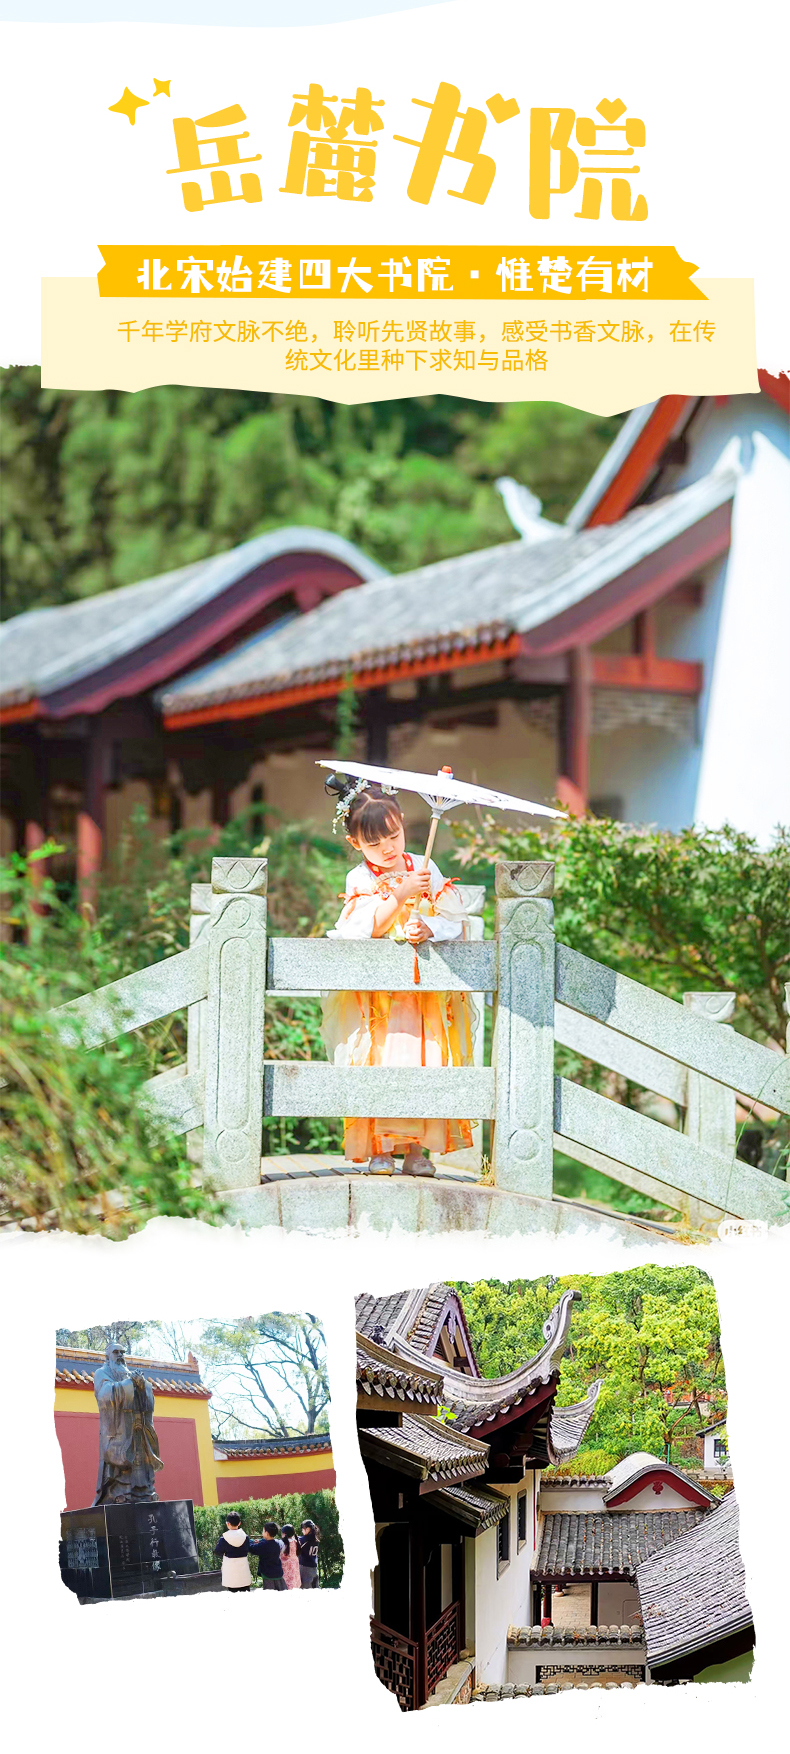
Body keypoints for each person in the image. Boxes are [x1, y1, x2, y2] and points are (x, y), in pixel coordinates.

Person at [321, 777, 476, 1174]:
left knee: (425, 1060)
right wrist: (402, 893)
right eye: (374, 843)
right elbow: (366, 928)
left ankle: (417, 1152)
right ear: (355, 842)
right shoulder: (359, 878)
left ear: (403, 822)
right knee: (380, 1060)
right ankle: (380, 1149)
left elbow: (455, 921)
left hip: (423, 994)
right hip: (379, 997)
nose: (387, 848)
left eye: (393, 836)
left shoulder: (425, 867)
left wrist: (428, 927)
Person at [214, 1512, 253, 1592]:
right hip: (243, 1570)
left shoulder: (224, 1538)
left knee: (233, 1593)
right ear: (239, 1523)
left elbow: (217, 1552)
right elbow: (249, 1548)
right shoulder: (245, 1537)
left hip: (230, 1571)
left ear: (227, 1524)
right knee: (245, 1593)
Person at [249, 1523, 288, 1590]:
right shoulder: (277, 1543)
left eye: (263, 1531)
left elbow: (252, 1549)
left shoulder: (263, 1545)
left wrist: (249, 1541)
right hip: (278, 1573)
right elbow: (267, 1543)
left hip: (268, 1574)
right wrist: (260, 1541)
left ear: (266, 1533)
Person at [297, 1519, 321, 1589]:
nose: (302, 1531)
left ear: (307, 1529)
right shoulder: (316, 1539)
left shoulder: (303, 1540)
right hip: (314, 1568)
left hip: (305, 1569)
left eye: (302, 1529)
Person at [280, 1523, 301, 1590]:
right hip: (294, 1566)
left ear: (284, 1534)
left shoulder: (283, 1543)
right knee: (294, 1583)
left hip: (285, 1567)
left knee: (286, 1585)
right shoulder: (296, 1542)